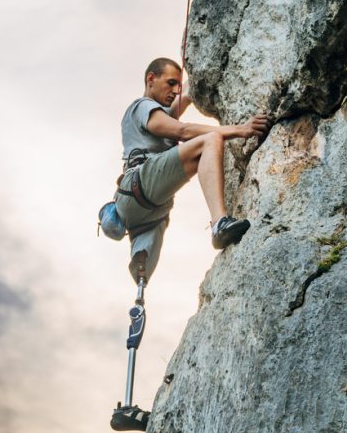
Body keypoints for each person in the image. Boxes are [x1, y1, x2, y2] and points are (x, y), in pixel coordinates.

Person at [116, 57, 271, 283]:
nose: (175, 90)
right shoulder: (143, 107)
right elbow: (181, 130)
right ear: (151, 79)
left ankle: (140, 288)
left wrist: (187, 90)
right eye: (170, 83)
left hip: (140, 203)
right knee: (210, 140)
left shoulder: (154, 114)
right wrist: (241, 129)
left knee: (146, 257)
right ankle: (219, 222)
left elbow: (178, 105)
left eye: (177, 86)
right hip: (142, 182)